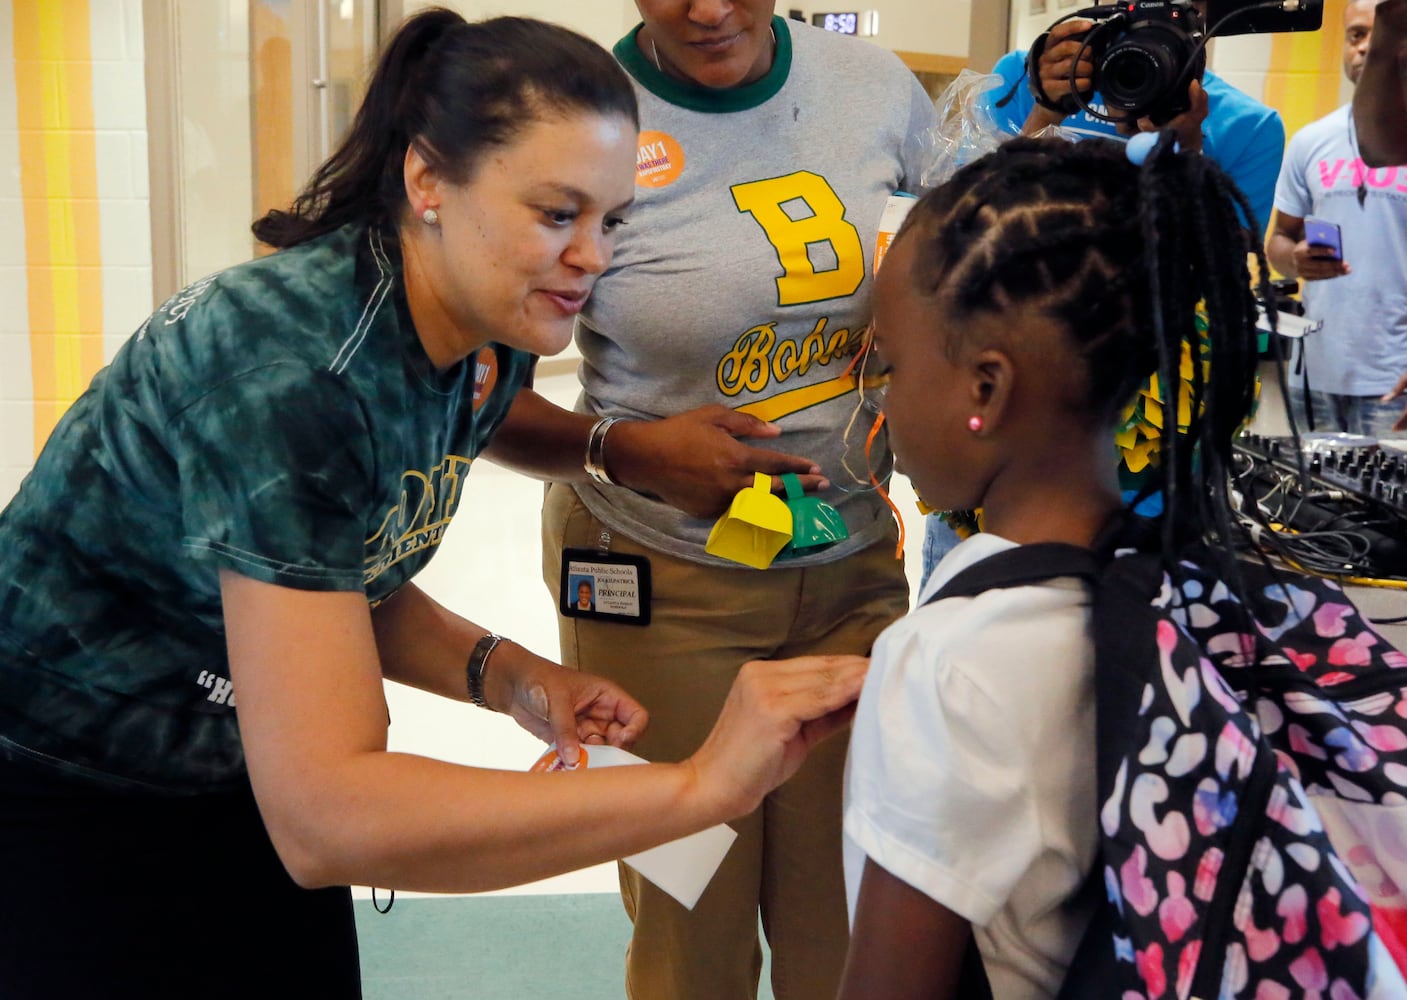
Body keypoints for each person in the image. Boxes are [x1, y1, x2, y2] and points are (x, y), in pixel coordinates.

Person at [0, 11, 869, 999]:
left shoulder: (480, 334)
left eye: (611, 220)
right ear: (427, 182)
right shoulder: (295, 375)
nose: (593, 255)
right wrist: (700, 787)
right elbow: (327, 817)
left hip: (225, 755)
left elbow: (335, 572)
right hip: (62, 783)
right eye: (557, 213)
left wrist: (506, 675)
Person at [484, 2, 936, 997]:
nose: (707, 7)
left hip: (852, 572)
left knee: (848, 919)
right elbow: (482, 401)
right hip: (656, 585)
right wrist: (628, 452)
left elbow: (965, 277)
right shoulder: (572, 123)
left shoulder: (875, 90)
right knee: (692, 924)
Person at [835, 133, 1264, 999]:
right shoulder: (1183, 591)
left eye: (889, 362)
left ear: (984, 392)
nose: (878, 395)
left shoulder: (948, 661)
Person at [1267, 0, 1407, 439]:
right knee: (1314, 508)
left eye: (1375, 35)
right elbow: (1278, 242)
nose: (1364, 48)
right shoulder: (1311, 140)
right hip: (1312, 377)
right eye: (1355, 35)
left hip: (1395, 382)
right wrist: (1297, 261)